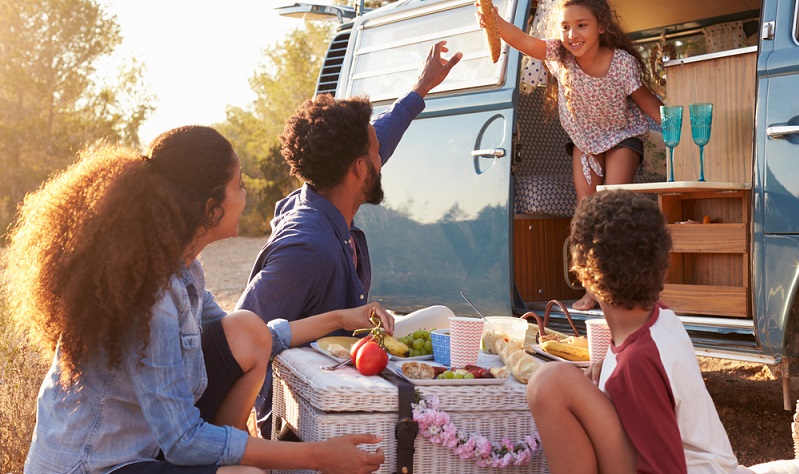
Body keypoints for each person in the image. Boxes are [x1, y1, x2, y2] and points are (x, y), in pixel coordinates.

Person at [6, 126, 394, 474]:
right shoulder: (152, 301)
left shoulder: (185, 271)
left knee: (247, 330)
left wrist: (343, 315)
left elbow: (259, 335)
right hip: (97, 465)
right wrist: (317, 456)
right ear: (211, 208)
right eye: (239, 185)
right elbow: (182, 439)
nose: (248, 194)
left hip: (148, 449)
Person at [235, 40, 462, 437]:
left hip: (342, 380)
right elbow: (238, 339)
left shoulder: (330, 194)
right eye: (375, 155)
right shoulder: (308, 248)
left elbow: (380, 137)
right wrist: (238, 443)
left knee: (442, 318)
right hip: (305, 420)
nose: (382, 159)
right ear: (359, 169)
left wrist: (421, 89)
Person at [526, 190, 746, 474]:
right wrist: (607, 366)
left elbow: (666, 467)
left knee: (550, 383)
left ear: (585, 274)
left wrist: (619, 374)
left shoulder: (638, 363)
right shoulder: (657, 317)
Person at [477, 0, 664, 310]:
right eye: (565, 27)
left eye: (582, 25)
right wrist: (494, 21)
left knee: (612, 210)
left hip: (621, 136)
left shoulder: (621, 63)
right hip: (584, 142)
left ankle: (619, 287)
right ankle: (593, 288)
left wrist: (679, 126)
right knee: (587, 215)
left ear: (601, 27)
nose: (572, 34)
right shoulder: (559, 55)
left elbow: (646, 101)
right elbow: (522, 41)